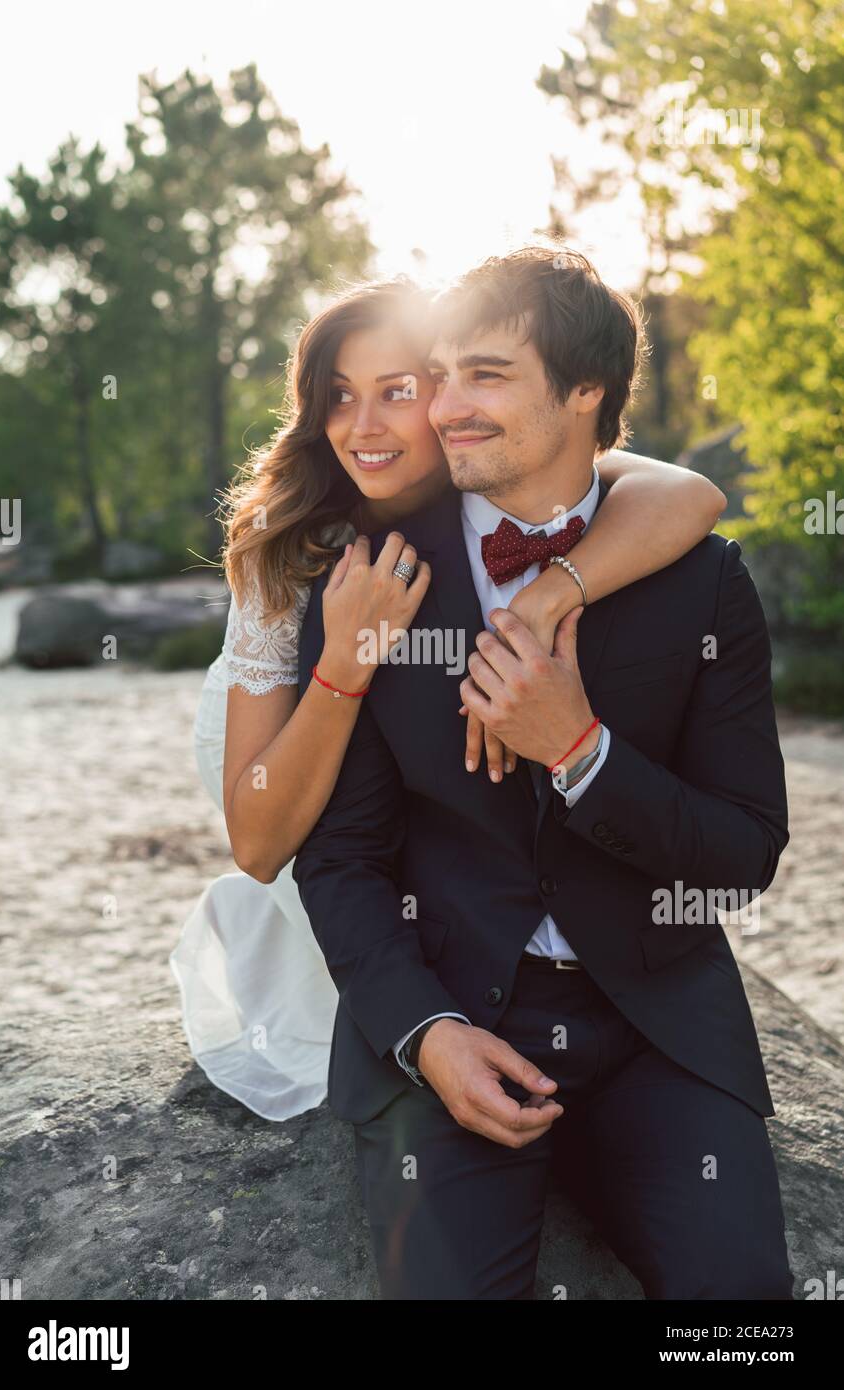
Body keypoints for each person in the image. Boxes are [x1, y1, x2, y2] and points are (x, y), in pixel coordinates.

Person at [291, 247, 794, 1300]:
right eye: (439, 373)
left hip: (656, 1018)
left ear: (583, 392)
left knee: (740, 1311)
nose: (443, 407)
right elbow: (337, 859)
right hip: (453, 1012)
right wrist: (425, 1036)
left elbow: (743, 850)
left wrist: (579, 752)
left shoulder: (703, 584)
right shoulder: (372, 584)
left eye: (484, 375)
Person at [170, 272, 726, 1124]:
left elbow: (690, 494)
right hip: (298, 818)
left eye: (399, 391)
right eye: (337, 396)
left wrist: (537, 609)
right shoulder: (287, 546)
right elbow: (258, 843)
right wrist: (350, 657)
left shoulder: (497, 468)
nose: (363, 428)